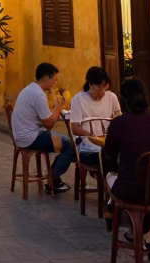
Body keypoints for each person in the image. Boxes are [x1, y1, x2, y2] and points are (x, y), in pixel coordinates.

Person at [102, 77, 150, 249]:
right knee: (146, 179)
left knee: (115, 177)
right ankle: (148, 234)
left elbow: (109, 155)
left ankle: (126, 224)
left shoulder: (119, 123)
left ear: (123, 100)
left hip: (131, 192)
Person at [10, 63, 75, 194]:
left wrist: (54, 110)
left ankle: (54, 175)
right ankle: (54, 179)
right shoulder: (38, 94)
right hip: (31, 137)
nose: (55, 84)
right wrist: (59, 107)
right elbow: (49, 124)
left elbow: (45, 117)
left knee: (65, 142)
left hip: (23, 135)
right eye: (54, 80)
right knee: (69, 144)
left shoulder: (30, 89)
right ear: (46, 78)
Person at [68, 67, 122, 169]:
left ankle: (112, 178)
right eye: (98, 87)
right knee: (107, 159)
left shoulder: (111, 97)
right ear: (90, 84)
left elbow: (120, 120)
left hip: (107, 145)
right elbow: (74, 128)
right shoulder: (78, 99)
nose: (101, 91)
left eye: (104, 87)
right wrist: (92, 137)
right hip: (89, 149)